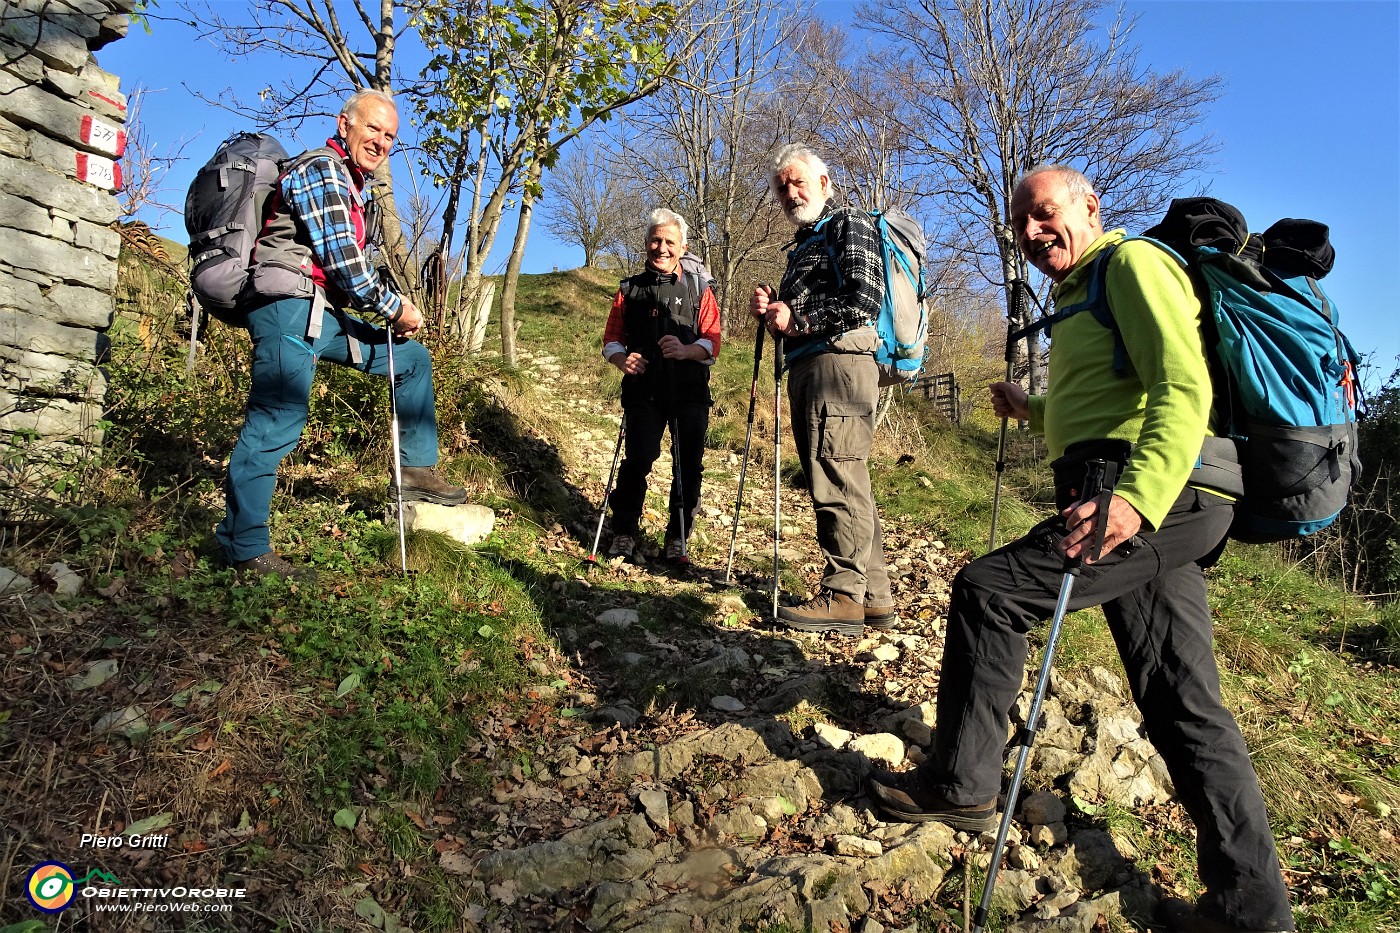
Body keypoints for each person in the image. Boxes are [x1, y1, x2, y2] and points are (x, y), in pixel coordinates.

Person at [867, 165, 1294, 933]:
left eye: (1045, 212)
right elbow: (1108, 403)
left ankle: (963, 783)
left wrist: (1135, 498)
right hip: (1166, 494)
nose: (1033, 231)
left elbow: (1181, 385)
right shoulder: (1083, 291)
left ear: (1089, 206)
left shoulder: (1132, 264)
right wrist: (1034, 410)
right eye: (1022, 221)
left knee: (990, 590)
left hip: (1147, 493)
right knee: (1183, 703)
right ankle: (1251, 910)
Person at [216, 89, 466, 581]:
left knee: (410, 360)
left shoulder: (354, 186)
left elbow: (343, 277)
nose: (380, 141)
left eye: (390, 135)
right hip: (287, 309)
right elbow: (349, 269)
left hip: (317, 314)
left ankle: (413, 473)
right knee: (276, 420)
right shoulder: (322, 171)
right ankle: (244, 548)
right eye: (372, 128)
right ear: (344, 124)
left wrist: (386, 312)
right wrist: (396, 309)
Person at [749, 144, 895, 635]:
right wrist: (777, 312)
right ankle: (872, 595)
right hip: (816, 363)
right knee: (848, 475)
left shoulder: (847, 222)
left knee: (834, 475)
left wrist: (801, 317)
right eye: (782, 187)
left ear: (824, 182)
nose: (791, 193)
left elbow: (863, 301)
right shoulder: (807, 241)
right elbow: (799, 320)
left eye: (799, 183)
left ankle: (842, 595)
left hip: (839, 364)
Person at [602, 208, 721, 564]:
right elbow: (611, 339)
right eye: (656, 239)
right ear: (646, 243)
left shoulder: (699, 287)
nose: (662, 247)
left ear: (683, 247)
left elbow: (713, 341)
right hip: (643, 391)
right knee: (638, 459)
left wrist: (687, 351)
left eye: (670, 241)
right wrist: (622, 360)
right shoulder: (629, 288)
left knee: (688, 466)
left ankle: (677, 538)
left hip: (690, 391)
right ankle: (624, 532)